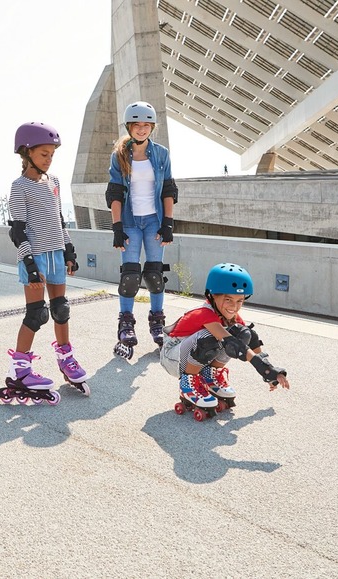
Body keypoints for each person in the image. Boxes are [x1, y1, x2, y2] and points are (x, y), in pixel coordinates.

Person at [0, 121, 86, 404]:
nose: (49, 158)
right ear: (26, 152)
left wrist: (69, 249)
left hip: (56, 252)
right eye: (43, 153)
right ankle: (20, 369)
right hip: (34, 256)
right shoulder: (19, 186)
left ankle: (66, 358)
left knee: (61, 309)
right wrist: (29, 261)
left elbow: (59, 220)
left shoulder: (54, 182)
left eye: (52, 154)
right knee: (37, 314)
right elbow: (18, 228)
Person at [160, 263, 289, 416]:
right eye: (228, 299)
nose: (234, 306)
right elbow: (233, 344)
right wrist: (264, 369)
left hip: (191, 356)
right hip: (172, 357)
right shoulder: (204, 313)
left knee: (243, 333)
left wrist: (270, 371)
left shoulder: (230, 315)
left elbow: (251, 340)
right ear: (212, 295)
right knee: (211, 338)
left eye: (239, 301)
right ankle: (188, 384)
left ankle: (210, 376)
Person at [105, 101, 178, 358]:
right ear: (129, 126)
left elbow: (168, 189)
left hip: (155, 220)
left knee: (155, 275)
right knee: (130, 275)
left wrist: (168, 223)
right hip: (130, 221)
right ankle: (126, 323)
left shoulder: (162, 154)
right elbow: (115, 192)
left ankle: (157, 321)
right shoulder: (120, 155)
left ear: (152, 127)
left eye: (146, 124)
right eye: (137, 124)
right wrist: (116, 227)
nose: (142, 129)